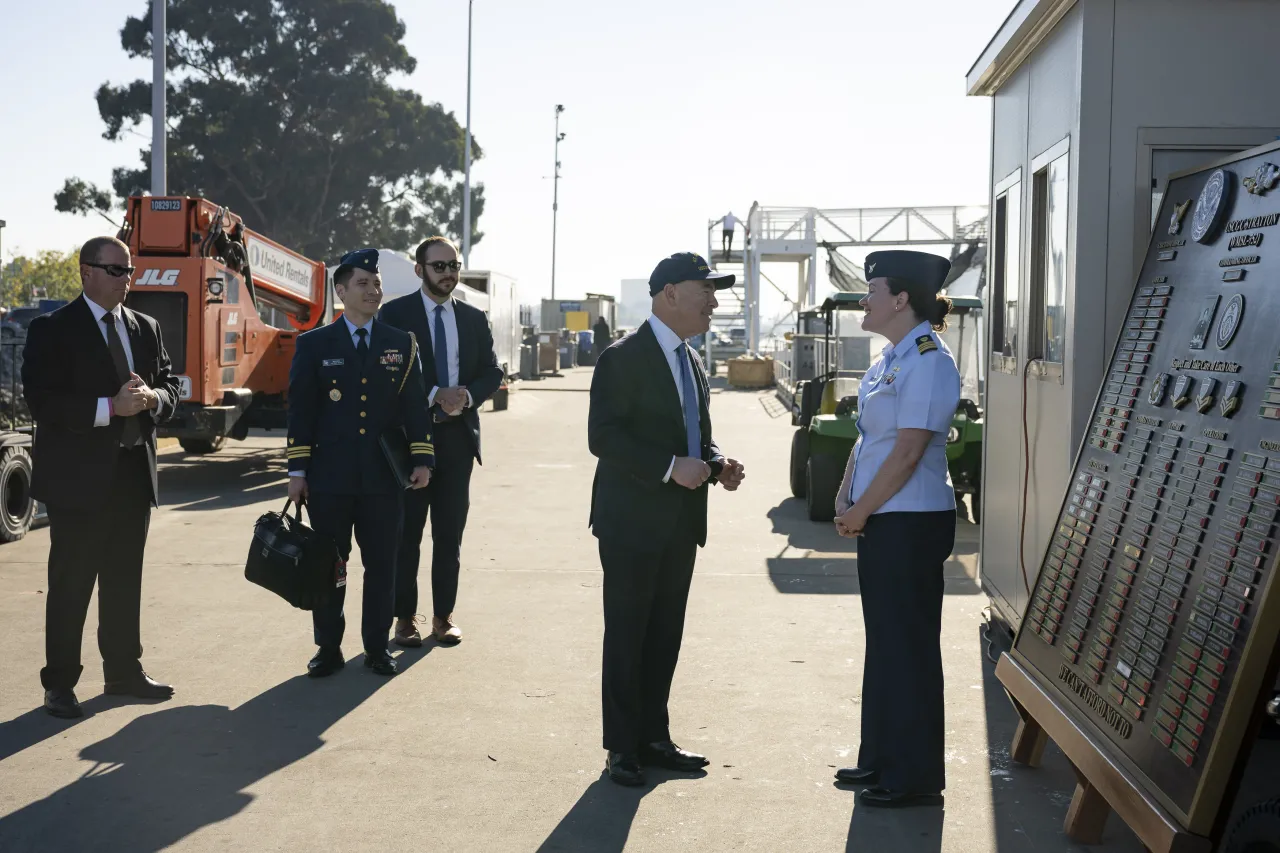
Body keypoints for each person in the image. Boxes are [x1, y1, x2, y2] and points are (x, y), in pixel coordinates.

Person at [588, 251, 747, 787]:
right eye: (706, 290)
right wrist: (667, 468)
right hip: (632, 520)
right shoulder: (623, 357)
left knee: (664, 634)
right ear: (670, 293)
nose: (715, 301)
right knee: (629, 632)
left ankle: (654, 737)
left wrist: (717, 461)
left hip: (680, 521)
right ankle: (622, 747)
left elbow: (695, 434)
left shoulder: (691, 360)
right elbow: (603, 437)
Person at [22, 235, 182, 719]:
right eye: (115, 271)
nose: (125, 280)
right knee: (72, 583)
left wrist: (154, 398)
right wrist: (109, 408)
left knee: (123, 579)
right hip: (79, 480)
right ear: (85, 272)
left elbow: (171, 383)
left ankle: (123, 672)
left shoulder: (145, 326)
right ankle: (61, 684)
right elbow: (44, 403)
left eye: (129, 271)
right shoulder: (52, 328)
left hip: (133, 474)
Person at [830, 250, 960, 809]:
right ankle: (881, 758)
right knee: (885, 644)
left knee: (907, 648)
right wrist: (845, 492)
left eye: (873, 288)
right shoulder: (891, 358)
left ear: (901, 299)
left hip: (910, 521)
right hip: (884, 517)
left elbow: (908, 452)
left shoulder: (929, 359)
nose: (866, 298)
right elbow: (870, 439)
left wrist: (861, 511)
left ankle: (913, 776)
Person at [287, 248, 435, 678]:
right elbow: (302, 412)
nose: (373, 291)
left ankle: (376, 649)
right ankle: (328, 648)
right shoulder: (313, 344)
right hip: (329, 480)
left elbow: (414, 409)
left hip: (384, 480)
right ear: (341, 290)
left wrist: (422, 459)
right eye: (363, 284)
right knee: (329, 568)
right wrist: (297, 472)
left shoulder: (400, 344)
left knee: (382, 567)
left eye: (376, 283)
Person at [378, 236, 503, 647]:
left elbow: (491, 371)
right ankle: (404, 620)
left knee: (449, 537)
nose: (449, 273)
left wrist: (465, 396)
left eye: (454, 265)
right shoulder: (394, 315)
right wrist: (434, 394)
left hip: (458, 442)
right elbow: (388, 374)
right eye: (439, 266)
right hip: (411, 442)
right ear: (419, 270)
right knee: (406, 537)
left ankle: (443, 617)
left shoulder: (472, 317)